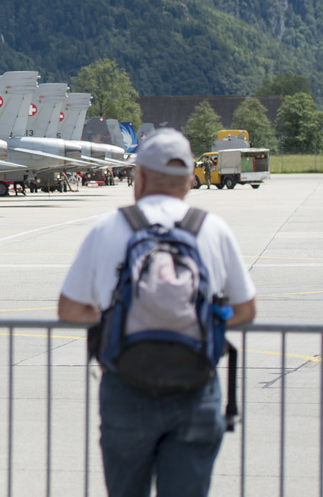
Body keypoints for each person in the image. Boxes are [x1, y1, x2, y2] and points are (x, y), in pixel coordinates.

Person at [58, 128, 257, 497]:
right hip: (196, 387)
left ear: (141, 176)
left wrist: (114, 314)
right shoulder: (211, 228)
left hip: (126, 386)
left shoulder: (110, 227)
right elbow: (245, 310)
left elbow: (69, 308)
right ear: (189, 180)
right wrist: (207, 317)